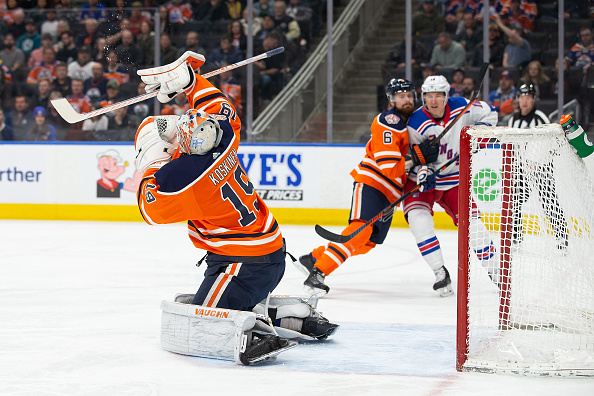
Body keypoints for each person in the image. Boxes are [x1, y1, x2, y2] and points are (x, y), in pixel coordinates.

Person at [133, 51, 336, 365]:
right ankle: (294, 315)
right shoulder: (224, 137)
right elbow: (219, 108)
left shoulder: (187, 180)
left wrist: (152, 160)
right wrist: (189, 83)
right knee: (201, 304)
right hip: (267, 252)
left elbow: (150, 209)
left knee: (199, 324)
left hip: (242, 265)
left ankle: (260, 329)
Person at [296, 78, 438, 295]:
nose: (407, 100)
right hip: (374, 183)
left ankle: (314, 257)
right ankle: (317, 274)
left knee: (366, 243)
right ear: (391, 100)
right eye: (401, 96)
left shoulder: (410, 124)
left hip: (390, 194)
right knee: (360, 231)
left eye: (409, 95)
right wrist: (419, 156)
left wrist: (423, 170)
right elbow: (388, 165)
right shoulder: (388, 120)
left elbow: (408, 164)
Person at [405, 75, 499, 296]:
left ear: (447, 96)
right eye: (429, 96)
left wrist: (479, 135)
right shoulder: (415, 123)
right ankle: (440, 273)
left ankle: (497, 272)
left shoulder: (463, 107)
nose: (434, 100)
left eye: (438, 95)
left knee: (475, 227)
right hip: (423, 181)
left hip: (454, 179)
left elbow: (490, 111)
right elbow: (415, 157)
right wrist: (423, 172)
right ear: (423, 97)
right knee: (419, 222)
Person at [507, 83, 568, 252]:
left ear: (534, 99)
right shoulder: (513, 119)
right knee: (514, 202)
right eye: (522, 97)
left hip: (541, 168)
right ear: (518, 99)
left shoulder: (540, 117)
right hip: (521, 169)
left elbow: (551, 141)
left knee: (550, 203)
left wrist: (539, 161)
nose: (524, 101)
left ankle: (562, 239)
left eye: (528, 97)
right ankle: (516, 240)